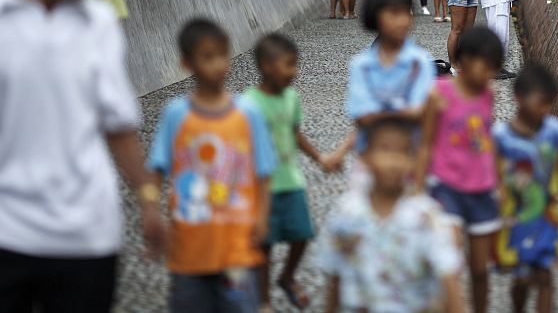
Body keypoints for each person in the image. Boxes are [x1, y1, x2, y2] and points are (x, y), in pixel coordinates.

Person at [0, 0, 165, 313]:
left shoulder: (100, 25)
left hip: (86, 233)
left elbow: (119, 127)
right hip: (8, 229)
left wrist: (148, 202)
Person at [147, 18, 276, 312]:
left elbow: (264, 171)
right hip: (190, 246)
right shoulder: (175, 115)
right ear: (186, 62)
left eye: (222, 54)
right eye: (207, 57)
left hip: (238, 245)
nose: (218, 64)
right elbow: (157, 168)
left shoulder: (248, 114)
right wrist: (151, 210)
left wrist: (263, 218)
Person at [317, 119, 464, 313]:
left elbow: (449, 281)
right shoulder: (346, 214)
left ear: (413, 160)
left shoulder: (426, 217)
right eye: (384, 149)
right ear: (366, 156)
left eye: (403, 152)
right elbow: (335, 279)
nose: (393, 162)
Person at [244, 34, 342, 312]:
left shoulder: (291, 98)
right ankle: (262, 302)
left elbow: (295, 133)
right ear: (266, 66)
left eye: (295, 65)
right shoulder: (248, 104)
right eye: (288, 65)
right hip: (261, 187)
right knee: (263, 246)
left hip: (291, 181)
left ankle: (287, 276)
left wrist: (320, 158)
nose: (294, 72)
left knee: (302, 234)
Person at [417, 27, 504, 313]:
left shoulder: (487, 95)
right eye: (485, 65)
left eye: (494, 67)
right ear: (464, 59)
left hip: (480, 189)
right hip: (446, 187)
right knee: (449, 263)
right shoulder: (439, 92)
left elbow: (487, 140)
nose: (489, 74)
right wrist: (417, 192)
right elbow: (426, 143)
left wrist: (500, 185)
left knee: (480, 270)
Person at [494, 64, 558, 313]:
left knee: (545, 276)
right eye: (541, 103)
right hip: (515, 217)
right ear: (520, 99)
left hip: (546, 215)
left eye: (549, 104)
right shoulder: (501, 136)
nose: (545, 110)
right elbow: (490, 170)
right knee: (522, 279)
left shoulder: (555, 130)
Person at [339, 0, 435, 158]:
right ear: (375, 18)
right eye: (393, 13)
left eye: (406, 13)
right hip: (371, 155)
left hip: (411, 154)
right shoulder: (361, 65)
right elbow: (362, 117)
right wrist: (403, 111)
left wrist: (379, 112)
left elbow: (420, 112)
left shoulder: (420, 61)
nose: (402, 21)